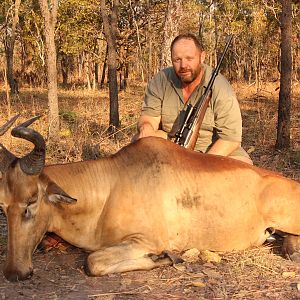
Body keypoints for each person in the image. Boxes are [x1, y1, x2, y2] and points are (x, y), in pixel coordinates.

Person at [134, 33, 252, 165]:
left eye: (189, 58)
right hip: (172, 143)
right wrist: (146, 129)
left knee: (242, 167)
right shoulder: (161, 80)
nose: (183, 65)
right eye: (177, 60)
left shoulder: (221, 86)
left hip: (213, 149)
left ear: (202, 57)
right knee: (137, 142)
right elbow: (149, 118)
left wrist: (201, 165)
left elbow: (231, 139)